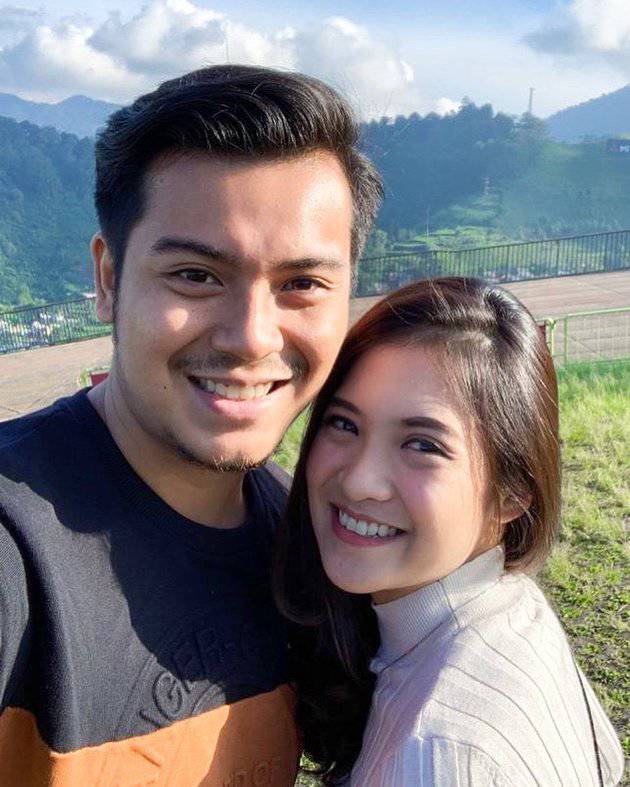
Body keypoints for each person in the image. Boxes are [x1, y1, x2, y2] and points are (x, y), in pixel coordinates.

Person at [0, 65, 382, 785]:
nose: (251, 337)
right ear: (108, 279)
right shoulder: (14, 554)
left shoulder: (308, 540)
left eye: (302, 284)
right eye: (196, 275)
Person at [274, 277, 624, 786]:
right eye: (344, 424)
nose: (359, 481)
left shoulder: (443, 755)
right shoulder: (515, 611)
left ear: (511, 494)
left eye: (423, 445)